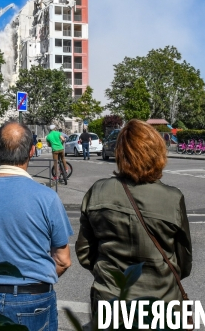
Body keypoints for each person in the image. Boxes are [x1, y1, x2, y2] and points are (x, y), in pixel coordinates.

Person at [0, 122, 73, 331]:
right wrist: (35, 278)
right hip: (34, 299)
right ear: (32, 151)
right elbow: (63, 260)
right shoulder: (47, 198)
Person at [76, 119, 192, 316]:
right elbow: (184, 262)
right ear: (157, 153)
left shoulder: (97, 191)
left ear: (120, 154)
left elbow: (85, 252)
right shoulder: (172, 198)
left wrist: (108, 271)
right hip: (162, 306)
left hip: (110, 303)